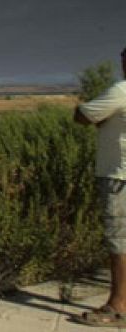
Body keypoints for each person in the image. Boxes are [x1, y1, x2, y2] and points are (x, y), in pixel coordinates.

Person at [75, 47, 126, 326]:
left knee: (120, 241)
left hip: (119, 177)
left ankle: (118, 306)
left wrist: (103, 120)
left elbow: (82, 115)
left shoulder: (121, 91)